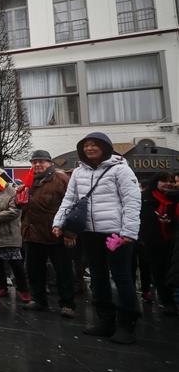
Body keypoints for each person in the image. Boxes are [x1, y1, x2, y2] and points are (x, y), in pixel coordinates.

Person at [53, 132, 141, 344]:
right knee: (98, 277)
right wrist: (58, 223)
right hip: (90, 232)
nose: (90, 148)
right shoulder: (78, 172)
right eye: (86, 145)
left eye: (94, 145)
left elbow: (132, 201)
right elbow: (69, 199)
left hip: (116, 234)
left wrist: (129, 232)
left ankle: (127, 324)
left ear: (105, 147)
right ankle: (105, 320)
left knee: (122, 278)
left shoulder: (120, 169)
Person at [19, 150, 75, 317]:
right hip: (33, 234)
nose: (37, 165)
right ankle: (38, 300)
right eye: (34, 162)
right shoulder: (29, 181)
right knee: (34, 270)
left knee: (63, 271)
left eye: (41, 161)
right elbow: (26, 206)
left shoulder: (61, 179)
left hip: (55, 233)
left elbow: (72, 205)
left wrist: (70, 232)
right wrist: (18, 201)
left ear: (50, 163)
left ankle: (67, 304)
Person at [0, 168, 30, 302]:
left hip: (9, 234)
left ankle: (23, 289)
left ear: (2, 177)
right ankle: (2, 287)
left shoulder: (11, 191)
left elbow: (15, 212)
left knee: (16, 264)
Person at [138, 172, 178, 317]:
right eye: (164, 181)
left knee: (171, 271)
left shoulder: (173, 198)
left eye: (171, 181)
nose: (168, 184)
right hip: (153, 241)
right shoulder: (146, 198)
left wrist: (171, 221)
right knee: (158, 271)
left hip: (172, 241)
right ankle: (167, 301)